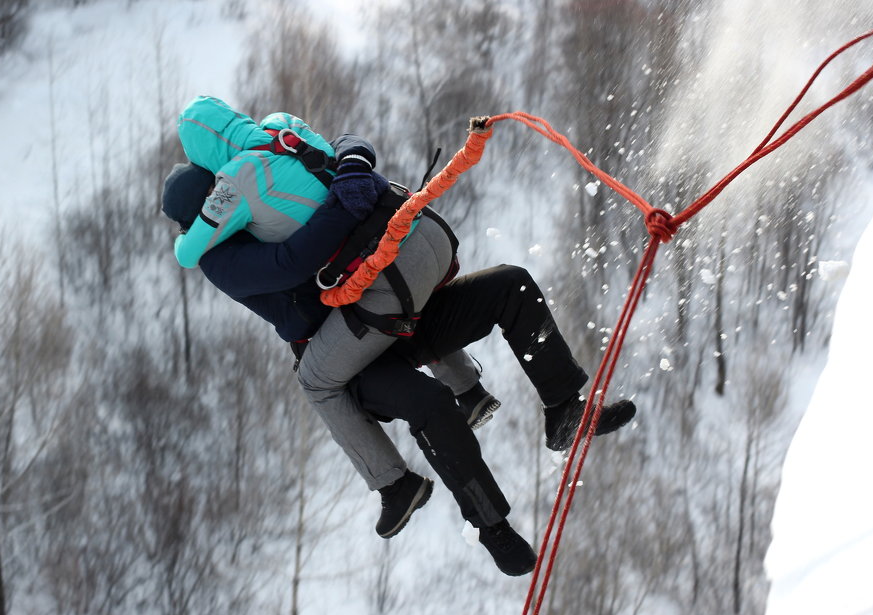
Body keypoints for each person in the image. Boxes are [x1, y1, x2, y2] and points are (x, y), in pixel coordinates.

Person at [165, 96, 636, 575]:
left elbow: (331, 149)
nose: (215, 201)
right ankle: (478, 521)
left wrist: (351, 162)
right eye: (209, 199)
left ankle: (563, 410)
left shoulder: (258, 178)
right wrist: (350, 200)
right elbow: (292, 265)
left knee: (509, 284)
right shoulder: (221, 257)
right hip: (346, 357)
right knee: (404, 399)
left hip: (381, 308)